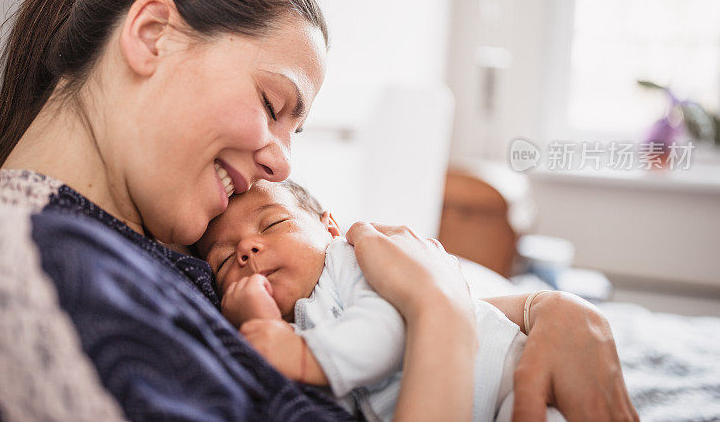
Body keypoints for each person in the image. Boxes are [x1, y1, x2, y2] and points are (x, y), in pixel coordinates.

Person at [0, 0, 638, 421]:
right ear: (151, 35)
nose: (282, 158)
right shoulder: (39, 279)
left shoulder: (161, 234)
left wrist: (554, 311)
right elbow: (409, 305)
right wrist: (441, 315)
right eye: (274, 104)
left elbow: (343, 287)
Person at [196, 179, 566, 422]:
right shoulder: (281, 331)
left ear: (329, 228)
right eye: (223, 260)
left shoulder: (347, 261)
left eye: (272, 224)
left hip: (506, 379)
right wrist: (263, 325)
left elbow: (385, 332)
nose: (246, 248)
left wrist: (294, 350)